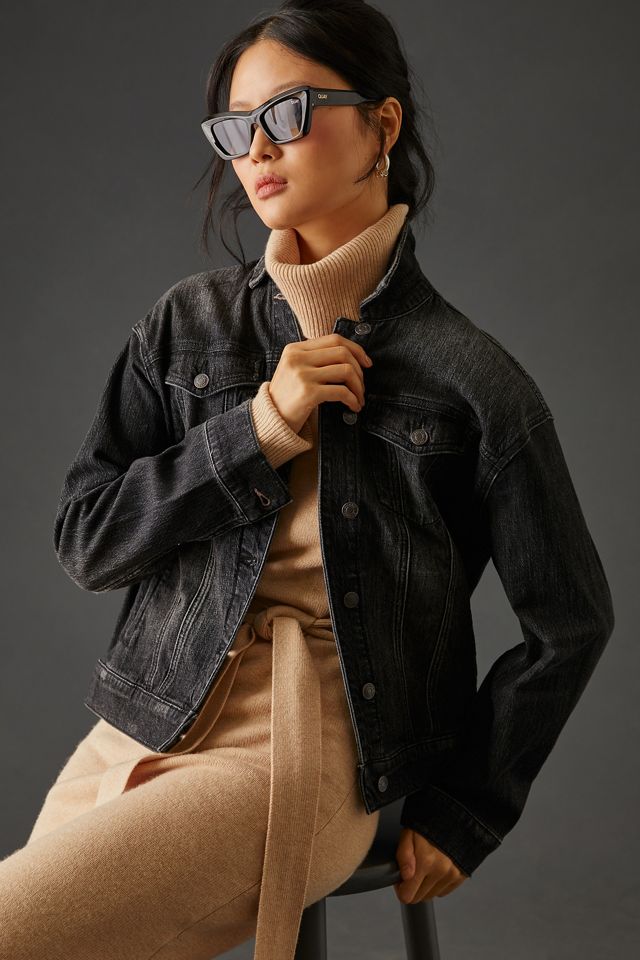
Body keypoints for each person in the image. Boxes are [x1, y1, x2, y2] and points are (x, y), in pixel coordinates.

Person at [0, 1, 614, 958]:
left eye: (286, 113)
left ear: (382, 124)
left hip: (313, 745)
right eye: (236, 126)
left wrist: (468, 812)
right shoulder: (186, 327)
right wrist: (257, 431)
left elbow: (571, 619)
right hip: (148, 718)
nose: (256, 149)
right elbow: (88, 542)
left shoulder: (471, 380)